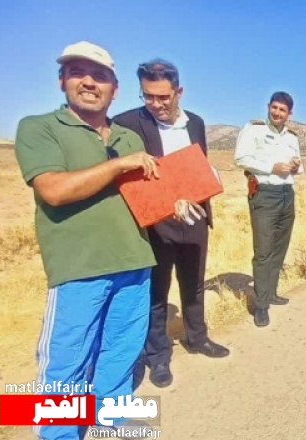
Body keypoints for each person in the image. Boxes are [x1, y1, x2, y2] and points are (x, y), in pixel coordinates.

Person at [14, 41, 160, 440]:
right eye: (78, 72)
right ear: (62, 80)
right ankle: (59, 439)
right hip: (79, 267)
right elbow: (53, 190)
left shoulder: (130, 137)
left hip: (134, 259)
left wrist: (179, 200)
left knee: (122, 348)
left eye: (100, 76)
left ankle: (109, 414)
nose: (89, 82)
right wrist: (118, 165)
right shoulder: (39, 127)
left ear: (115, 88)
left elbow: (147, 200)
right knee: (67, 359)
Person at [112, 59, 229, 389]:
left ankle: (197, 337)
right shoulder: (127, 123)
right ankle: (158, 355)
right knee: (156, 290)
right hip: (156, 223)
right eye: (148, 96)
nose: (155, 104)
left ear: (179, 91)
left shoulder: (196, 124)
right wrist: (165, 203)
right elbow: (129, 178)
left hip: (194, 218)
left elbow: (197, 166)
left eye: (163, 97)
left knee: (194, 283)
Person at [234, 91, 304, 327]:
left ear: (289, 114)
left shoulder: (292, 137)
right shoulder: (254, 129)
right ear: (268, 107)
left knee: (279, 246)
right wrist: (271, 167)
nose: (277, 112)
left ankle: (271, 291)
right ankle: (261, 305)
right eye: (274, 107)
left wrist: (295, 166)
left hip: (286, 194)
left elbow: (298, 167)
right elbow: (241, 158)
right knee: (263, 250)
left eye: (282, 110)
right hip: (264, 194)